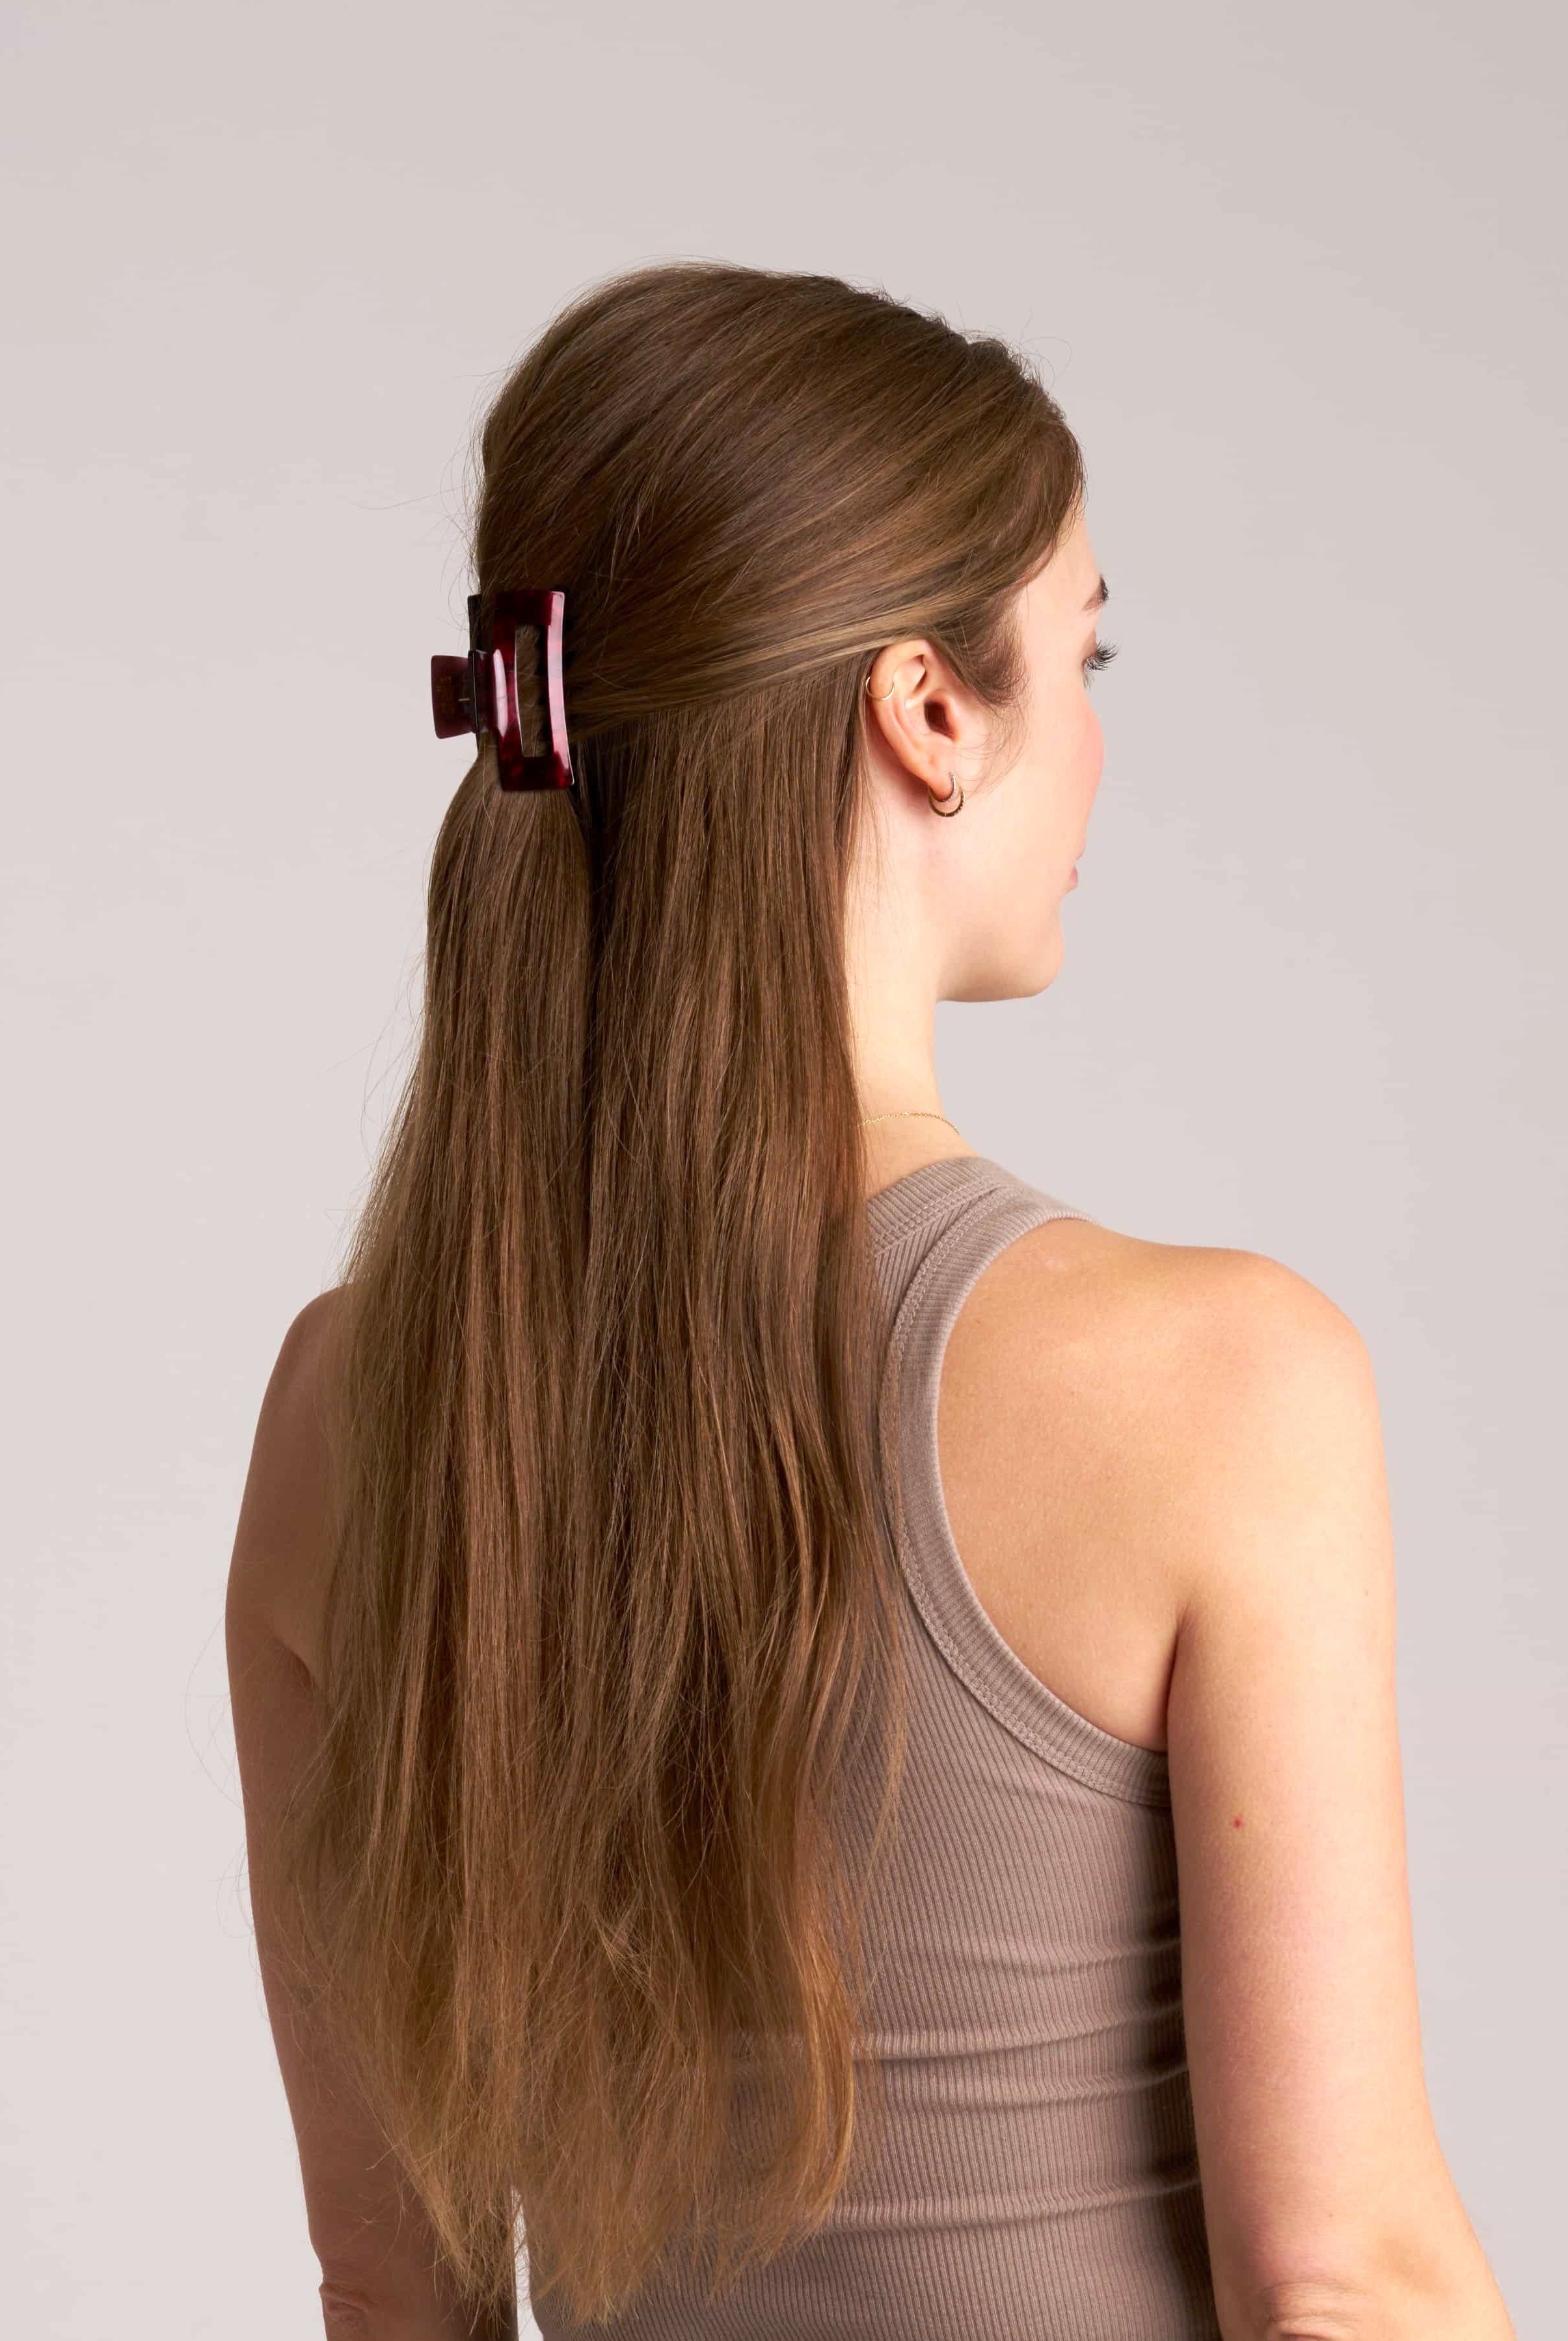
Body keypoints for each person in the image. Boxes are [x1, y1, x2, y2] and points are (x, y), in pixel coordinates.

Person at [225, 260, 1516, 2341]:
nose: (1095, 740)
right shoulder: (1212, 1383)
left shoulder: (353, 1407)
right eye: (1081, 653)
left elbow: (393, 2296)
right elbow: (1346, 2281)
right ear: (927, 710)